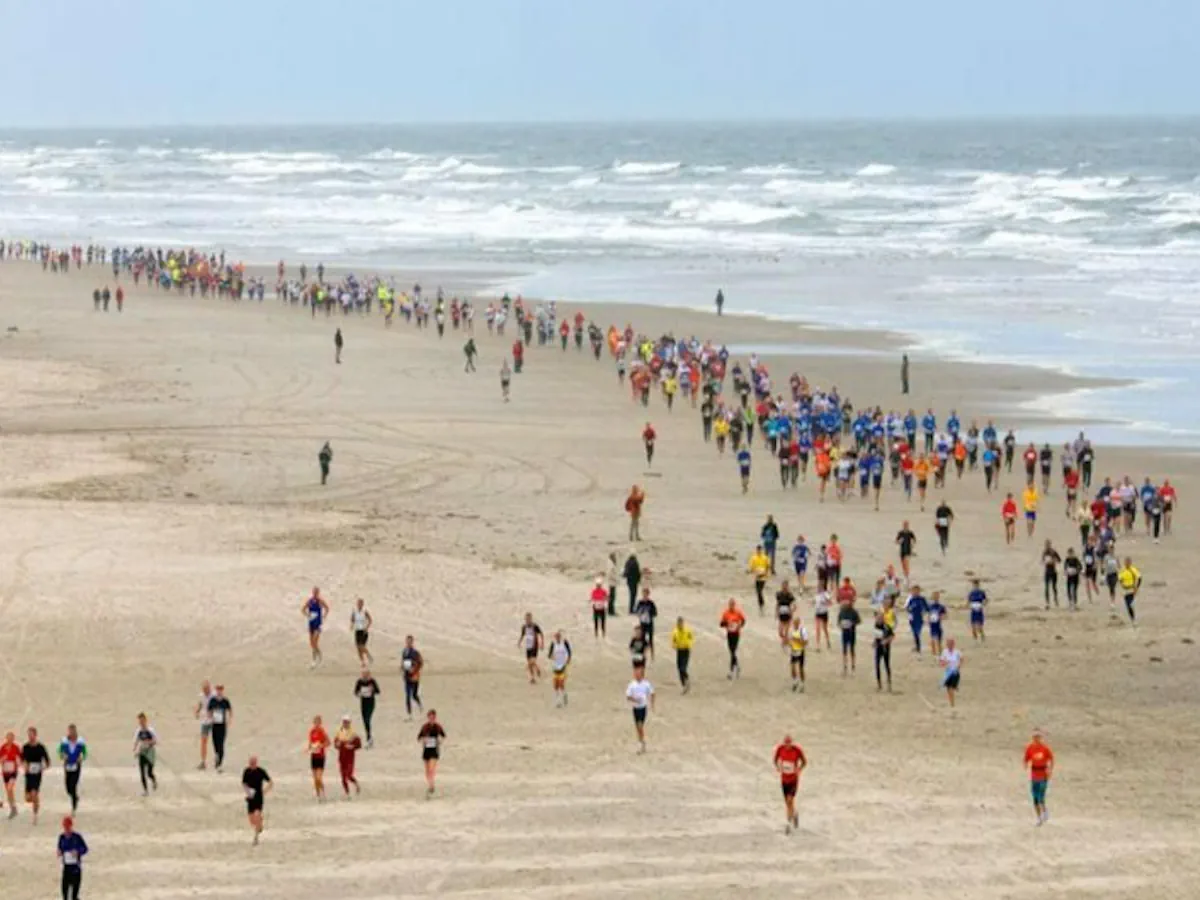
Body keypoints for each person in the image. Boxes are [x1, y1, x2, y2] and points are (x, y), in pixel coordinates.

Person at [773, 735, 808, 834]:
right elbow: (775, 760)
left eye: (789, 743)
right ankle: (795, 814)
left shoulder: (797, 750)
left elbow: (804, 762)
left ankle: (788, 824)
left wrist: (799, 769)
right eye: (786, 743)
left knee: (790, 800)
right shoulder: (780, 749)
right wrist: (778, 767)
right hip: (784, 780)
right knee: (788, 803)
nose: (788, 745)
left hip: (793, 780)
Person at [1023, 730, 1055, 826]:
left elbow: (1051, 759)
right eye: (1035, 737)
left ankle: (1044, 811)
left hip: (1043, 774)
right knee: (1035, 797)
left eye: (1038, 737)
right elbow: (1026, 758)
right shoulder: (1030, 748)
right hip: (1034, 775)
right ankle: (1039, 817)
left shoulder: (1045, 749)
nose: (1036, 739)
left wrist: (1050, 770)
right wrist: (1025, 765)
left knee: (1041, 796)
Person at [22, 727, 50, 824]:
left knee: (34, 793)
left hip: (37, 774)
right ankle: (36, 801)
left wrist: (42, 768)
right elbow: (23, 759)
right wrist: (25, 766)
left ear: (35, 735)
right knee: (27, 798)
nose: (30, 736)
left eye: (31, 734)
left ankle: (35, 815)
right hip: (28, 774)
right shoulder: (25, 747)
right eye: (28, 735)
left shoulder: (40, 747)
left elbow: (47, 762)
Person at [241, 756, 272, 845]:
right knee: (251, 820)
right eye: (251, 763)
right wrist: (247, 791)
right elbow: (244, 783)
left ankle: (256, 838)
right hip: (250, 797)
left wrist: (264, 791)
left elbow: (270, 782)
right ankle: (259, 824)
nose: (252, 765)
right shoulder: (246, 771)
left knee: (257, 814)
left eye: (253, 763)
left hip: (259, 797)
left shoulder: (261, 771)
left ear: (256, 763)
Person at [57, 725, 87, 814]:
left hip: (76, 766)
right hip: (67, 766)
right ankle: (75, 797)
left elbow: (85, 752)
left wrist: (82, 757)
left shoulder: (80, 741)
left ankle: (74, 807)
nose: (71, 733)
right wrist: (62, 756)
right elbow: (59, 751)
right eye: (70, 731)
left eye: (73, 731)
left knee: (73, 785)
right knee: (68, 788)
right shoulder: (64, 741)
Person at [58, 816, 89, 900]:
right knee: (64, 894)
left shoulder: (77, 837)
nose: (66, 829)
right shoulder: (61, 837)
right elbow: (60, 849)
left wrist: (78, 852)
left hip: (76, 868)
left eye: (68, 826)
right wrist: (59, 852)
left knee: (74, 896)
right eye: (65, 827)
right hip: (66, 868)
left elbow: (85, 849)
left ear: (71, 826)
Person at [626, 669, 655, 753]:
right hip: (635, 708)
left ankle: (641, 743)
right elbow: (628, 696)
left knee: (640, 725)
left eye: (638, 674)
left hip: (643, 707)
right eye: (636, 674)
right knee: (638, 727)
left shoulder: (646, 684)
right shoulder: (632, 684)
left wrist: (652, 703)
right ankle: (641, 741)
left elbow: (652, 693)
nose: (637, 675)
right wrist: (635, 700)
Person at [417, 710, 446, 797]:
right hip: (426, 750)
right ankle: (430, 783)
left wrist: (439, 741)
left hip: (434, 750)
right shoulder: (425, 727)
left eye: (433, 718)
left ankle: (431, 785)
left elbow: (443, 736)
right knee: (427, 770)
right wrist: (423, 740)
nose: (431, 719)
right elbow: (419, 737)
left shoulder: (438, 727)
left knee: (431, 768)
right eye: (430, 717)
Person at [334, 715, 362, 797]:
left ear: (349, 723)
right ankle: (347, 793)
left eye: (347, 722)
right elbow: (335, 743)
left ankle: (356, 784)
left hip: (350, 757)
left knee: (349, 775)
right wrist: (337, 744)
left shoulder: (353, 733)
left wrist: (352, 746)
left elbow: (358, 744)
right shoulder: (339, 732)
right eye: (344, 722)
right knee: (343, 777)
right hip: (342, 757)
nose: (345, 724)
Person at [207, 684, 233, 772]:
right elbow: (209, 710)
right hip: (214, 725)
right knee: (215, 743)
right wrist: (211, 717)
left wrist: (229, 719)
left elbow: (230, 710)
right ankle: (217, 755)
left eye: (221, 689)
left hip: (222, 725)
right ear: (216, 690)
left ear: (223, 690)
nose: (219, 691)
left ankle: (220, 764)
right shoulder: (213, 700)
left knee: (221, 744)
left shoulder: (225, 701)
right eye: (218, 689)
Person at [302, 587, 330, 667]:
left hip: (317, 623)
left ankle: (317, 658)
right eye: (314, 592)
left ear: (318, 592)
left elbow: (327, 608)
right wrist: (308, 615)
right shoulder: (310, 601)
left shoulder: (320, 600)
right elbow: (303, 609)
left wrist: (324, 616)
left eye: (316, 592)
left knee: (315, 641)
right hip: (311, 622)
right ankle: (316, 656)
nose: (315, 593)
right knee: (311, 643)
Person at [719, 598, 746, 679]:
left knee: (733, 651)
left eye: (733, 604)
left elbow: (744, 620)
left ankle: (731, 671)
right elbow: (721, 624)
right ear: (728, 605)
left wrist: (739, 625)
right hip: (729, 634)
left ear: (734, 605)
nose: (731, 606)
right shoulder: (726, 613)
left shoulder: (738, 612)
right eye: (730, 604)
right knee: (731, 651)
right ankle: (737, 666)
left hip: (736, 633)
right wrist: (727, 623)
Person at [354, 668, 381, 747]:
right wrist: (359, 694)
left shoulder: (372, 681)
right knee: (364, 720)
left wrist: (372, 690)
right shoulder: (360, 682)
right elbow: (355, 692)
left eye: (366, 674)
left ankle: (369, 738)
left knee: (367, 719)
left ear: (369, 674)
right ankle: (369, 737)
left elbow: (378, 691)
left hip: (371, 702)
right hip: (363, 702)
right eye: (363, 674)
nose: (364, 675)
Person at [133, 713, 158, 796]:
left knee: (149, 773)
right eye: (140, 721)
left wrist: (148, 742)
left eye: (142, 720)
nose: (141, 722)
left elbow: (156, 741)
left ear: (145, 720)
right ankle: (145, 790)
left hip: (150, 752)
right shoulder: (138, 731)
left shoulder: (150, 730)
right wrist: (135, 750)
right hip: (142, 752)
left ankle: (154, 780)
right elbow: (136, 741)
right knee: (142, 773)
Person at [401, 635, 424, 719]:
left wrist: (415, 671)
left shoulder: (415, 652)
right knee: (407, 695)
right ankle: (409, 715)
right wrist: (402, 667)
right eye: (407, 641)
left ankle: (419, 705)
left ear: (412, 642)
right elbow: (403, 661)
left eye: (410, 641)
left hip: (414, 676)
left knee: (414, 695)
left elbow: (421, 663)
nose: (408, 643)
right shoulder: (404, 652)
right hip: (407, 676)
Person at [548, 631, 573, 708]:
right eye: (556, 637)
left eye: (559, 636)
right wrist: (552, 657)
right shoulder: (553, 644)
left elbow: (569, 652)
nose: (558, 638)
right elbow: (549, 655)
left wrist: (568, 660)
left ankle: (562, 698)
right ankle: (558, 700)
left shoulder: (564, 643)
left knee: (561, 683)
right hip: (555, 666)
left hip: (563, 666)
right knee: (556, 685)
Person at [308, 715, 330, 801]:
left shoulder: (322, 731)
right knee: (315, 779)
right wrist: (311, 747)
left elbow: (328, 742)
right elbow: (310, 743)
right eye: (315, 722)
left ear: (320, 723)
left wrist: (321, 745)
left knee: (319, 777)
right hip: (313, 756)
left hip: (321, 756)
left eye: (318, 722)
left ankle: (323, 792)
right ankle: (318, 795)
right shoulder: (312, 731)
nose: (316, 724)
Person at [194, 679, 215, 770]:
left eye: (206, 688)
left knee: (216, 741)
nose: (205, 690)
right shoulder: (202, 696)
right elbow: (200, 704)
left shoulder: (214, 695)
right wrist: (197, 711)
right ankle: (203, 762)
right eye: (204, 689)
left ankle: (217, 762)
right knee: (203, 741)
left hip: (214, 721)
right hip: (205, 721)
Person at [518, 613, 544, 683]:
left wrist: (542, 644)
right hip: (528, 646)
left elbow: (541, 634)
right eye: (526, 619)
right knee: (530, 663)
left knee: (531, 662)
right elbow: (522, 635)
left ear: (531, 619)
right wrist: (519, 642)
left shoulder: (535, 626)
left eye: (529, 619)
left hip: (534, 646)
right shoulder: (524, 627)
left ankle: (537, 668)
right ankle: (532, 678)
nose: (527, 620)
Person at [837, 598, 861, 676]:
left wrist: (852, 623)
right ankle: (845, 667)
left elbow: (859, 621)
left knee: (852, 650)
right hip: (844, 633)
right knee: (844, 650)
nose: (846, 603)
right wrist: (841, 625)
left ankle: (853, 667)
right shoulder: (842, 612)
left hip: (852, 633)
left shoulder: (854, 612)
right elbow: (838, 622)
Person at [670, 616, 694, 692]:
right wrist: (674, 645)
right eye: (679, 623)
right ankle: (684, 684)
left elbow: (691, 638)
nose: (680, 624)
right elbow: (673, 640)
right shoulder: (675, 631)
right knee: (679, 667)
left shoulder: (687, 630)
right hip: (679, 650)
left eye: (681, 623)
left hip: (686, 650)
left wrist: (689, 644)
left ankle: (687, 680)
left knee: (683, 667)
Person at [634, 588, 659, 660]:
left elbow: (655, 613)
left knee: (651, 639)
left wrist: (650, 613)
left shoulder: (651, 603)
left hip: (649, 623)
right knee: (642, 639)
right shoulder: (640, 602)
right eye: (643, 594)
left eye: (646, 594)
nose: (645, 595)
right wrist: (640, 613)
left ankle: (652, 654)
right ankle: (641, 654)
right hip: (642, 623)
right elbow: (636, 611)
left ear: (648, 594)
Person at [873, 611, 894, 692]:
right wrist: (874, 642)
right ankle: (879, 684)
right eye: (878, 618)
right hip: (878, 648)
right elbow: (876, 636)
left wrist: (886, 641)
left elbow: (892, 636)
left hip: (885, 648)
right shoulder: (876, 625)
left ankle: (889, 682)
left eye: (880, 618)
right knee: (877, 665)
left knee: (886, 665)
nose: (879, 619)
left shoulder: (887, 626)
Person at [1, 731, 21, 818]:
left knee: (9, 788)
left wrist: (18, 761)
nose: (10, 739)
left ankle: (13, 808)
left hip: (13, 771)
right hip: (5, 772)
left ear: (13, 739)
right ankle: (13, 808)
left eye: (11, 737)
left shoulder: (16, 747)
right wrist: (3, 759)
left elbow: (20, 758)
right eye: (8, 737)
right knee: (9, 792)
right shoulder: (3, 747)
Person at [939, 638, 963, 708]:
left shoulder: (957, 652)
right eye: (948, 644)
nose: (950, 645)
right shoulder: (944, 652)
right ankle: (951, 702)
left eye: (951, 644)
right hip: (948, 672)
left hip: (955, 672)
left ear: (953, 644)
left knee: (950, 688)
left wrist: (959, 665)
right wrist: (944, 663)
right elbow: (941, 661)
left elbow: (962, 659)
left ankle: (952, 704)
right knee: (948, 689)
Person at [350, 598, 374, 664]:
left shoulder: (365, 611)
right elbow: (352, 619)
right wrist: (351, 625)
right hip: (357, 630)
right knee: (358, 648)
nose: (359, 605)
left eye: (361, 603)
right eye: (358, 603)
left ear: (362, 604)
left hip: (364, 630)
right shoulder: (354, 611)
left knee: (361, 646)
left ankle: (368, 655)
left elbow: (370, 620)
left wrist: (367, 627)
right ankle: (363, 662)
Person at [748, 544, 771, 613]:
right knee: (758, 592)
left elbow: (768, 566)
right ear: (756, 550)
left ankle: (762, 604)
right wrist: (752, 571)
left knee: (760, 591)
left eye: (760, 550)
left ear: (762, 550)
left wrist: (766, 573)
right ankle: (760, 604)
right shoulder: (753, 558)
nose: (759, 551)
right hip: (756, 577)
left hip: (763, 577)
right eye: (758, 550)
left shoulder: (765, 557)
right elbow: (751, 567)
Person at [788, 617, 809, 692]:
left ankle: (802, 684)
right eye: (794, 623)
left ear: (799, 623)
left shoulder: (802, 631)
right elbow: (790, 640)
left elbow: (806, 642)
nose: (794, 625)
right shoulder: (792, 630)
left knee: (801, 669)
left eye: (796, 623)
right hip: (793, 651)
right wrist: (789, 643)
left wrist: (797, 640)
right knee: (792, 668)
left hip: (800, 651)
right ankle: (795, 681)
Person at [1118, 557, 1141, 624]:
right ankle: (1132, 618)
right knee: (1127, 605)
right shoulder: (1123, 570)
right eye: (1126, 562)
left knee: (1130, 604)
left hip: (1132, 588)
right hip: (1125, 590)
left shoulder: (1133, 570)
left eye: (1128, 562)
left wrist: (1137, 587)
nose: (1127, 563)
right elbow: (1120, 579)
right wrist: (1122, 584)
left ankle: (1133, 620)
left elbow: (1139, 578)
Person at [1041, 540, 1062, 609]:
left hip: (1053, 571)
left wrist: (1054, 561)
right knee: (1046, 587)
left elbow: (1059, 560)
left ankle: (1056, 599)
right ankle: (1047, 603)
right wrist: (1045, 562)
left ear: (1050, 545)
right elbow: (1042, 561)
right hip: (1047, 571)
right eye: (1046, 545)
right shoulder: (1044, 552)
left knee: (1054, 587)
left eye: (1048, 545)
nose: (1047, 546)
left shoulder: (1053, 552)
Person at [775, 580, 797, 644]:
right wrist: (776, 612)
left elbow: (795, 605)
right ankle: (786, 639)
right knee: (780, 632)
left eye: (785, 586)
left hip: (788, 614)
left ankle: (785, 641)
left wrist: (792, 611)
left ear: (787, 587)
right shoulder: (779, 594)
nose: (784, 587)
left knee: (786, 631)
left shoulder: (790, 595)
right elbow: (777, 604)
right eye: (783, 586)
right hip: (781, 614)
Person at [927, 591, 947, 657]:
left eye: (937, 596)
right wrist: (929, 620)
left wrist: (940, 617)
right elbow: (928, 615)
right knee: (933, 639)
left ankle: (940, 654)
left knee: (939, 640)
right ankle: (934, 653)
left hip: (938, 624)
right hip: (932, 625)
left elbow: (945, 615)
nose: (935, 597)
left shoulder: (941, 606)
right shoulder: (930, 606)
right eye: (934, 596)